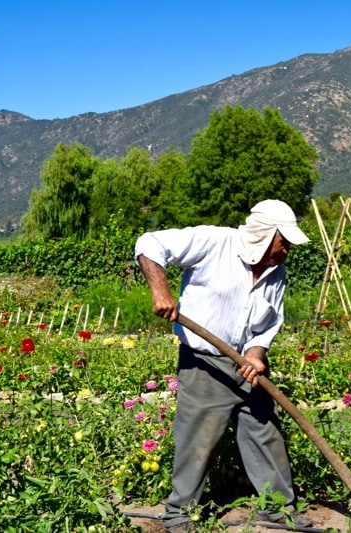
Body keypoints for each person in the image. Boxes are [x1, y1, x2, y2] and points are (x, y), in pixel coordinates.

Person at [134, 199, 314, 532]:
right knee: (198, 438)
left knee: (265, 432)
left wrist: (256, 355)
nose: (287, 248)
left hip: (248, 365)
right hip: (205, 364)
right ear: (264, 234)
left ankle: (277, 510)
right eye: (284, 240)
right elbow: (149, 243)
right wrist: (161, 290)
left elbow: (268, 323)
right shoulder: (215, 242)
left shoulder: (277, 272)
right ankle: (179, 515)